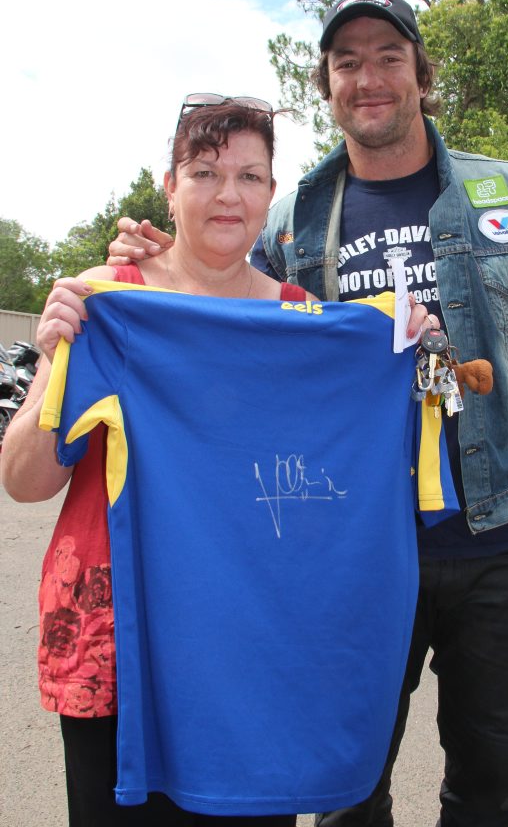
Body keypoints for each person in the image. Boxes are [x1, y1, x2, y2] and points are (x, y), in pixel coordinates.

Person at [108, 0, 508, 827]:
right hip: (345, 547)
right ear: (327, 85)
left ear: (422, 74)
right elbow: (219, 297)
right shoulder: (289, 216)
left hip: (496, 537)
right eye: (346, 63)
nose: (369, 78)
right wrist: (150, 261)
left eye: (389, 58)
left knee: (489, 790)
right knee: (344, 788)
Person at [2, 96, 431, 827]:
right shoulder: (109, 299)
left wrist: (393, 351)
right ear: (168, 187)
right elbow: (24, 481)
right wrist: (54, 356)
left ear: (272, 193)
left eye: (250, 176)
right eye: (204, 172)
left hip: (252, 645)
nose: (228, 194)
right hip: (120, 649)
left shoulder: (306, 324)